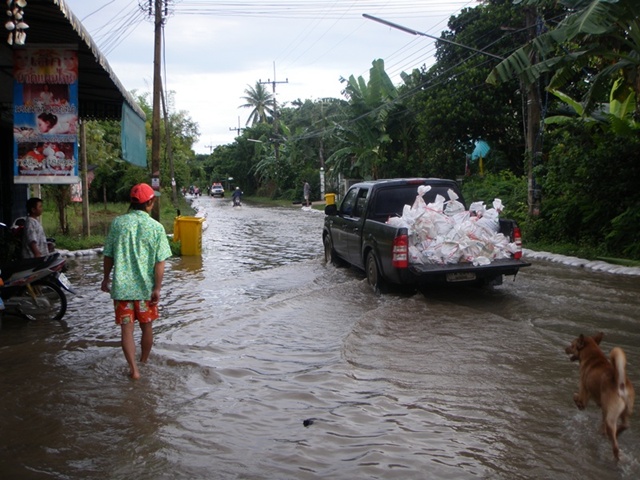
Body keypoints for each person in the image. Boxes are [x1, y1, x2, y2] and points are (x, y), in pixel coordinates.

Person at [101, 183, 172, 380]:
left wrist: (105, 278)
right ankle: (144, 361)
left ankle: (134, 370)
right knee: (147, 327)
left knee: (127, 330)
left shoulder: (118, 223)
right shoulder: (156, 228)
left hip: (122, 289)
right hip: (145, 290)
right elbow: (160, 262)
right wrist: (157, 288)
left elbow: (108, 255)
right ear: (150, 202)